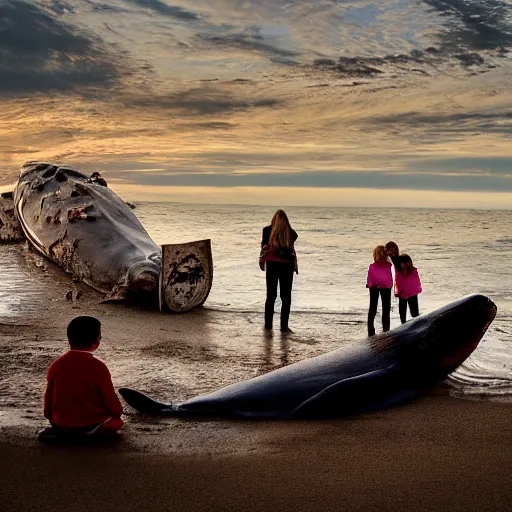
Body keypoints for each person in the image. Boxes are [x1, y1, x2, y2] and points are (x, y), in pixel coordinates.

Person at [38, 316, 124, 444]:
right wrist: (118, 412)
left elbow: (48, 402)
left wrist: (54, 419)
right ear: (96, 340)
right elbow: (112, 403)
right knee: (117, 422)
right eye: (100, 335)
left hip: (61, 425)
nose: (101, 338)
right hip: (90, 425)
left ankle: (65, 434)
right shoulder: (98, 366)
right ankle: (87, 435)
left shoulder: (56, 364)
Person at [259, 210, 298, 333]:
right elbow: (292, 250)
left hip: (272, 265)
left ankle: (268, 325)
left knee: (271, 296)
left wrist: (261, 261)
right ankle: (284, 327)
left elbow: (264, 248)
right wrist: (296, 266)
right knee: (286, 298)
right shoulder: (291, 233)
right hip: (287, 267)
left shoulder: (266, 231)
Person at [366, 245, 393, 337]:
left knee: (373, 306)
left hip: (374, 286)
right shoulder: (389, 265)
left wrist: (369, 285)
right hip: (386, 287)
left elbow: (370, 278)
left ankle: (370, 329)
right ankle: (386, 330)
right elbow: (390, 277)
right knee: (386, 308)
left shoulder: (372, 266)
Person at [395, 254, 422, 324]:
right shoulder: (399, 272)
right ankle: (403, 324)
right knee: (402, 312)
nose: (404, 264)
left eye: (406, 262)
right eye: (402, 263)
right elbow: (397, 282)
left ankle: (417, 323)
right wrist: (398, 291)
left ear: (409, 262)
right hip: (403, 293)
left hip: (412, 292)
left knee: (415, 313)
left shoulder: (413, 270)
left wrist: (419, 288)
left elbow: (417, 280)